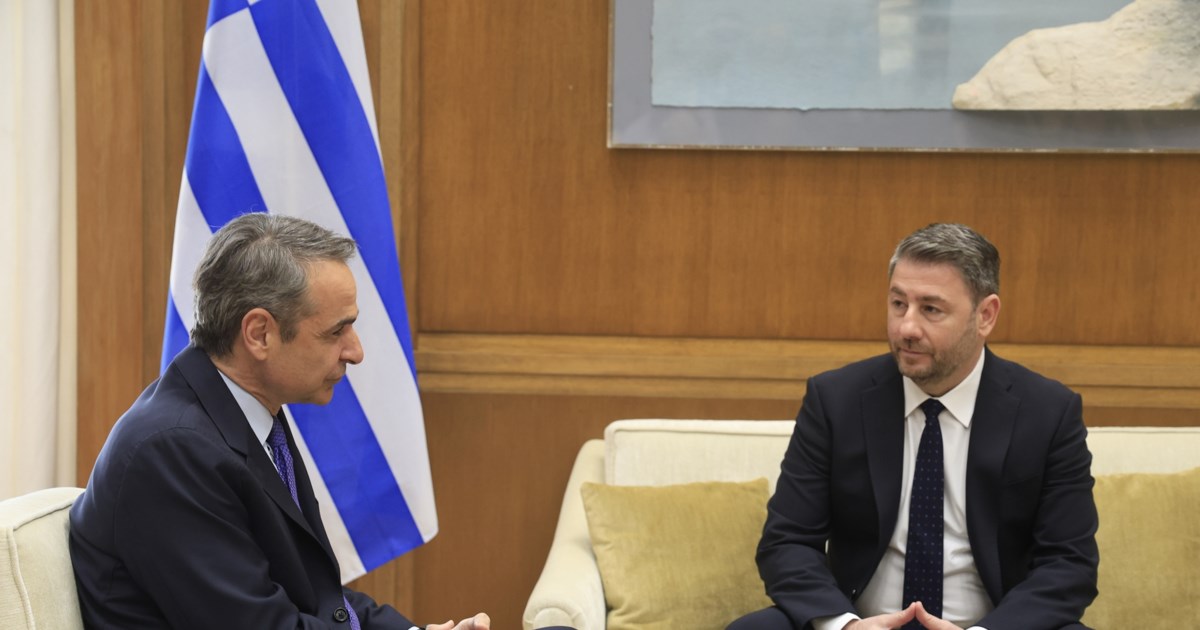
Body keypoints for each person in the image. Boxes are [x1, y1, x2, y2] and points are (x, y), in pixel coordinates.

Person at [70, 213, 489, 630]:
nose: (356, 352)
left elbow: (314, 594)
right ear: (259, 334)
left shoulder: (244, 414)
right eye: (336, 332)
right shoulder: (172, 451)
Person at [730, 223, 1098, 630]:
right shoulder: (836, 400)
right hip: (863, 622)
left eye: (931, 309)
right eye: (898, 303)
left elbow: (1069, 564)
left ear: (985, 316)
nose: (906, 328)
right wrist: (845, 625)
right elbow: (788, 541)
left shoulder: (1048, 413)